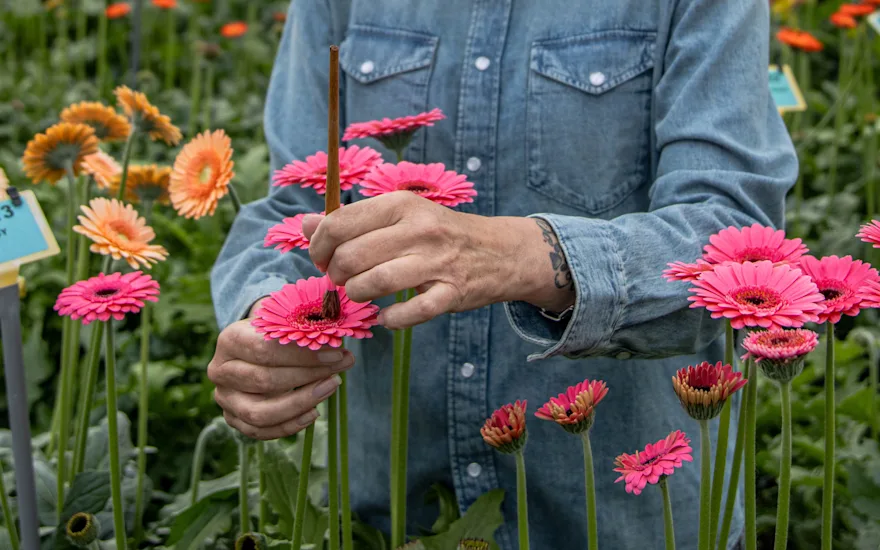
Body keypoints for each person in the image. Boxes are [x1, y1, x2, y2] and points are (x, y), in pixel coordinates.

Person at [209, 0, 795, 547]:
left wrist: (521, 253)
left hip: (625, 513)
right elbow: (294, 208)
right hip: (387, 515)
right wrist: (264, 320)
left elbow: (738, 243)